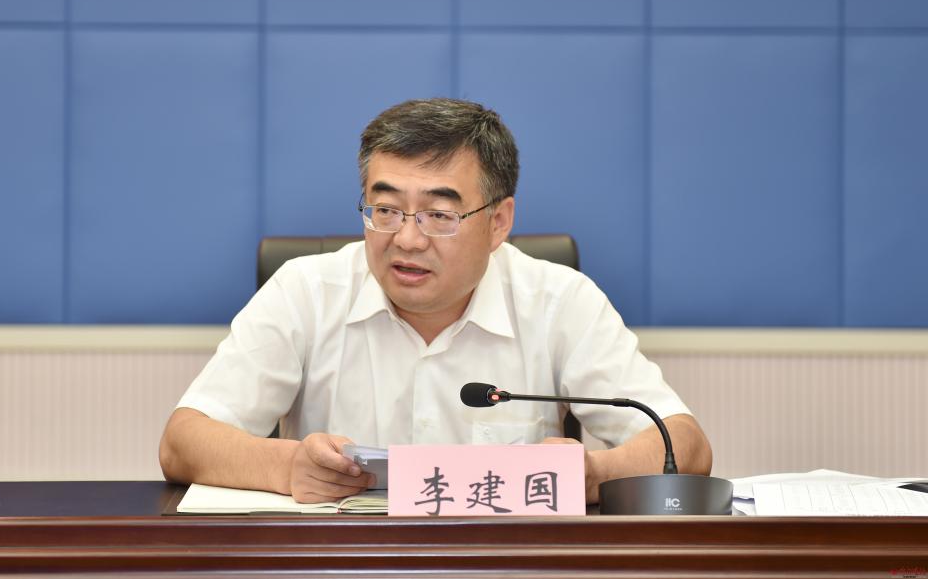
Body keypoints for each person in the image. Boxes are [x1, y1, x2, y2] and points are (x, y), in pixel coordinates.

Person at [159, 98, 712, 504]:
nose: (407, 239)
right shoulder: (305, 291)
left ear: (499, 222)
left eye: (439, 215)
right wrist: (286, 466)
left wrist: (591, 475)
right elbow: (183, 442)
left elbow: (684, 446)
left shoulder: (559, 301)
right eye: (386, 210)